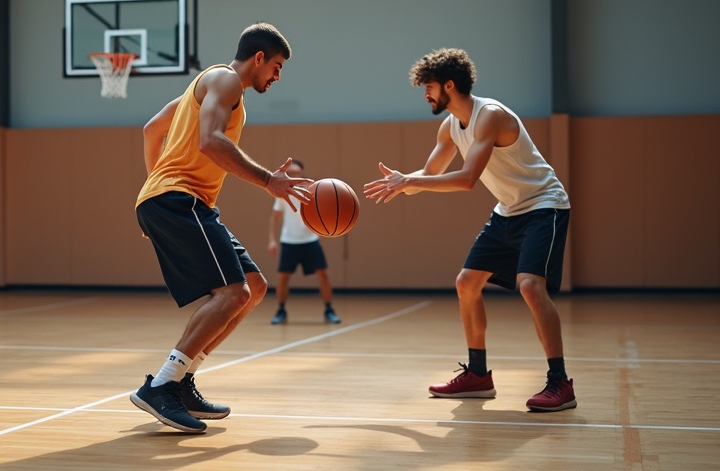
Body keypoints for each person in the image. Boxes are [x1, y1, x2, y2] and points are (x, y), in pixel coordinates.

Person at [363, 48, 575, 413]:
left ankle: (560, 382)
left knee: (529, 284)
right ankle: (478, 375)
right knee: (466, 283)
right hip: (508, 211)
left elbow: (466, 180)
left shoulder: (489, 116)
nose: (425, 95)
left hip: (544, 205)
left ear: (449, 85)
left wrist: (410, 181)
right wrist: (401, 184)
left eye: (428, 87)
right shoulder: (448, 126)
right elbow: (429, 176)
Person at [133, 23, 313, 433]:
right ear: (259, 59)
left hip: (175, 198)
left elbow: (151, 128)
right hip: (180, 199)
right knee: (234, 293)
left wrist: (152, 188)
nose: (278, 77)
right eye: (278, 67)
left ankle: (182, 381)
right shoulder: (226, 80)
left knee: (254, 286)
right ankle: (161, 385)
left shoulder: (207, 84)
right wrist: (269, 181)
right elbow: (210, 141)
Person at [267, 159, 341, 325]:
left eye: (296, 173)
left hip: (310, 239)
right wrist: (272, 240)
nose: (293, 175)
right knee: (283, 277)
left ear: (301, 173)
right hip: (289, 240)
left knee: (323, 274)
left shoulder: (312, 189)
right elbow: (275, 217)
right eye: (290, 173)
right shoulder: (282, 191)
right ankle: (281, 310)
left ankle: (329, 309)